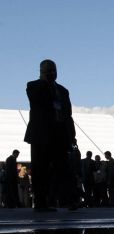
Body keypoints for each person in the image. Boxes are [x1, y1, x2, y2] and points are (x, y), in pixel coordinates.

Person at [24, 60, 77, 211]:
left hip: (59, 134)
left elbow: (68, 115)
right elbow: (35, 100)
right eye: (48, 71)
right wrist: (44, 82)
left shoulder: (63, 91)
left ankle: (70, 200)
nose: (52, 73)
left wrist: (72, 135)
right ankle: (40, 203)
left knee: (64, 169)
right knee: (40, 170)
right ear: (41, 72)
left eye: (54, 70)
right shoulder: (33, 86)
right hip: (41, 135)